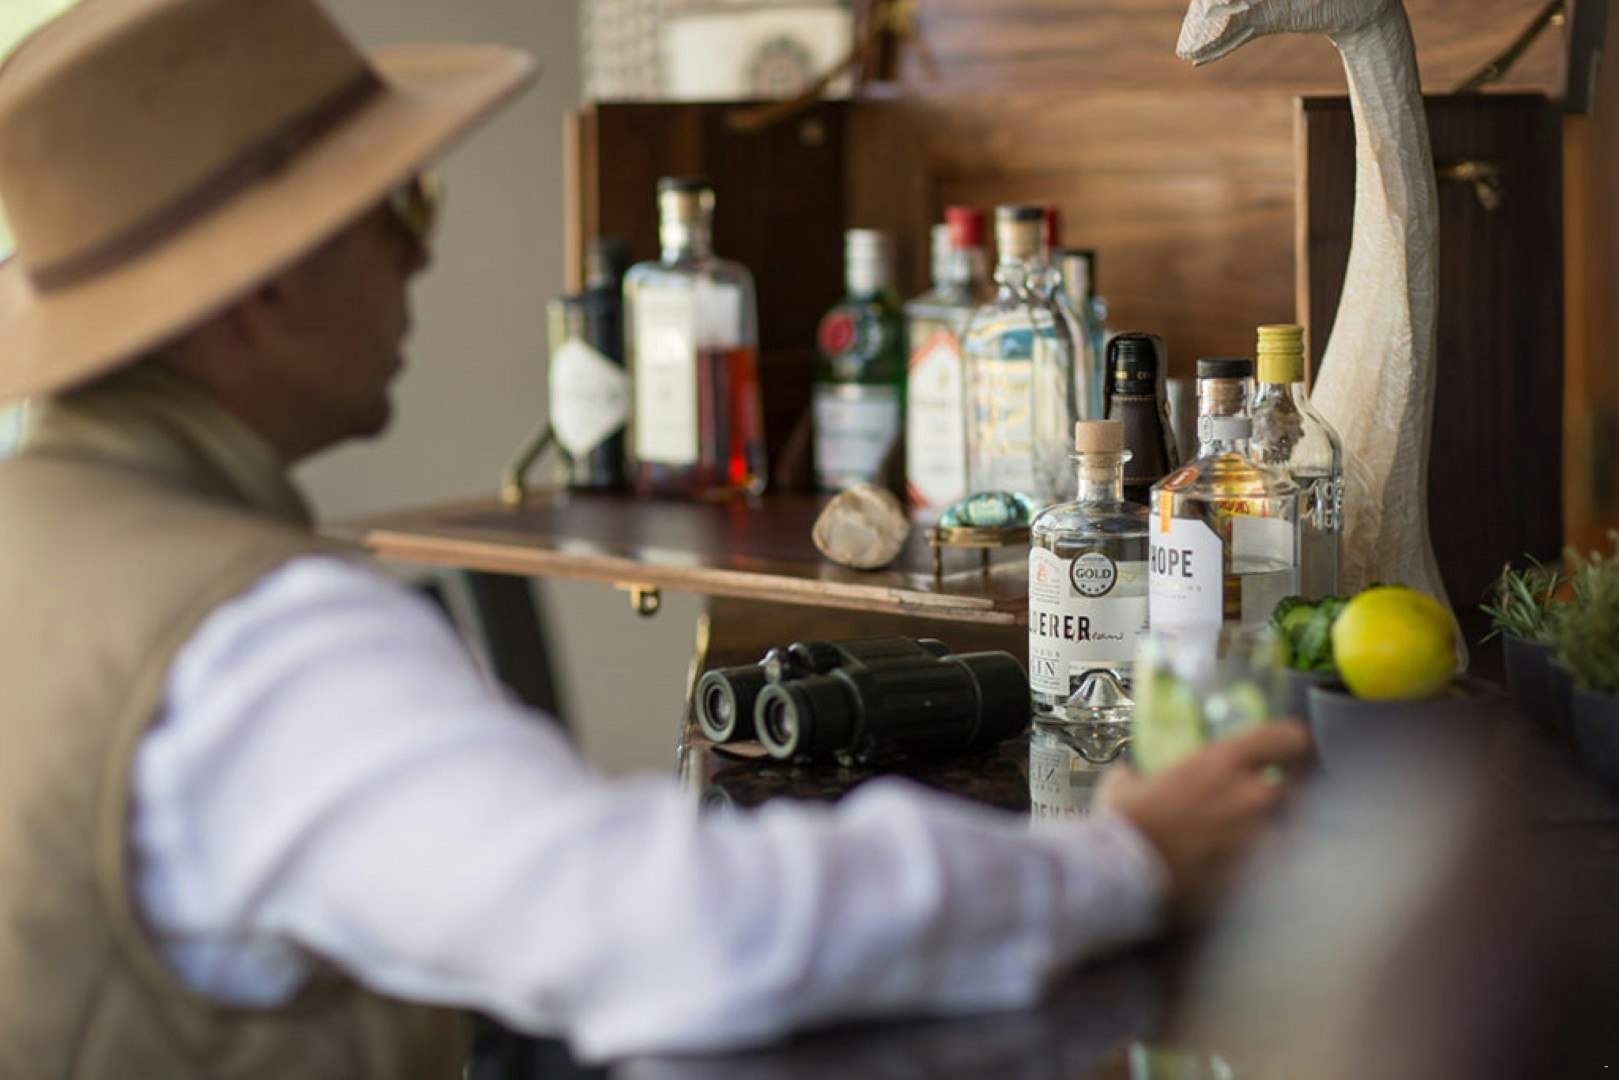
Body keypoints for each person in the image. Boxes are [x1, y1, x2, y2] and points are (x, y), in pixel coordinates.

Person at [0, 0, 1312, 1075]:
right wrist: (1125, 861)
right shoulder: (253, 642)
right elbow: (668, 929)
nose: (417, 264)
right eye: (401, 211)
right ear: (267, 288)